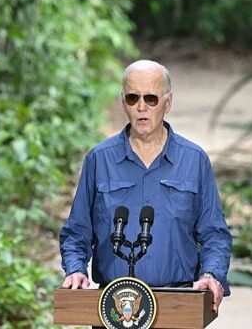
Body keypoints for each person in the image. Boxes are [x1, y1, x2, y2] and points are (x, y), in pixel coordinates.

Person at [59, 59, 232, 313]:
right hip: (113, 305)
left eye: (151, 98)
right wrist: (75, 270)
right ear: (123, 102)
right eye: (132, 98)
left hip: (178, 303)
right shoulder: (99, 159)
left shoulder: (194, 160)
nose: (141, 107)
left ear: (167, 103)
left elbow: (214, 233)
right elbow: (77, 232)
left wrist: (210, 274)